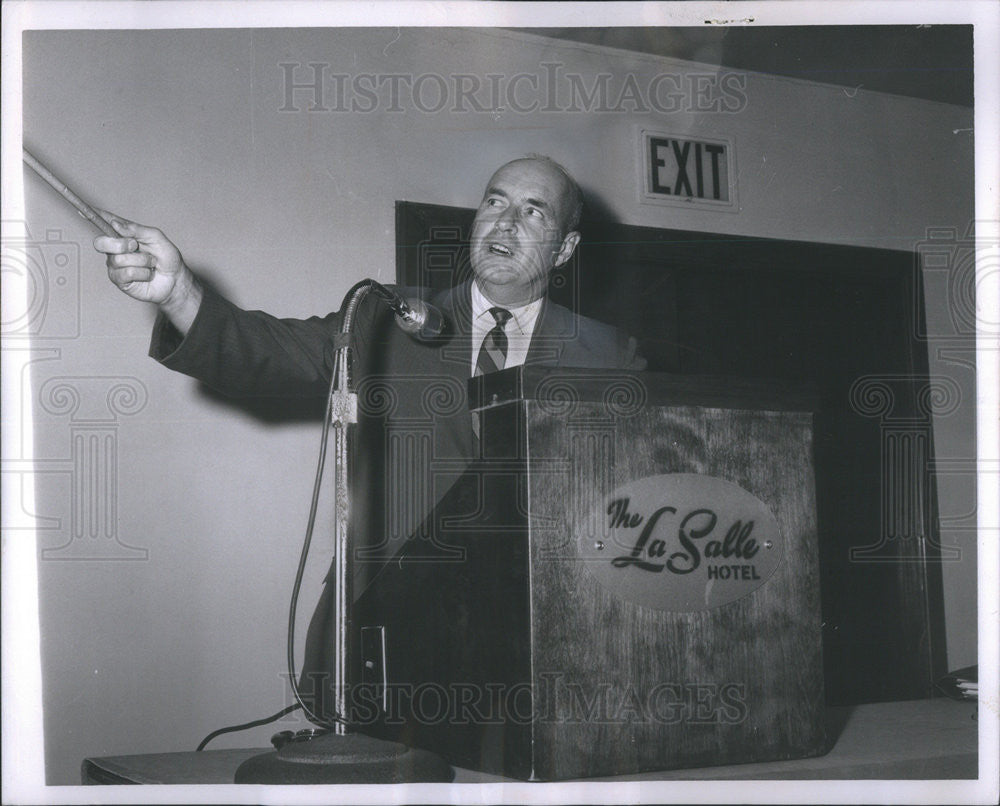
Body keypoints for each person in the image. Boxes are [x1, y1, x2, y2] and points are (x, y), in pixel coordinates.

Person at [93, 154, 646, 720]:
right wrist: (180, 293)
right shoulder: (384, 316)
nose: (505, 222)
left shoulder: (607, 356)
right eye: (495, 201)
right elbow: (271, 352)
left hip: (538, 635)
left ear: (565, 250)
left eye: (533, 211)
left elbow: (627, 511)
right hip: (385, 626)